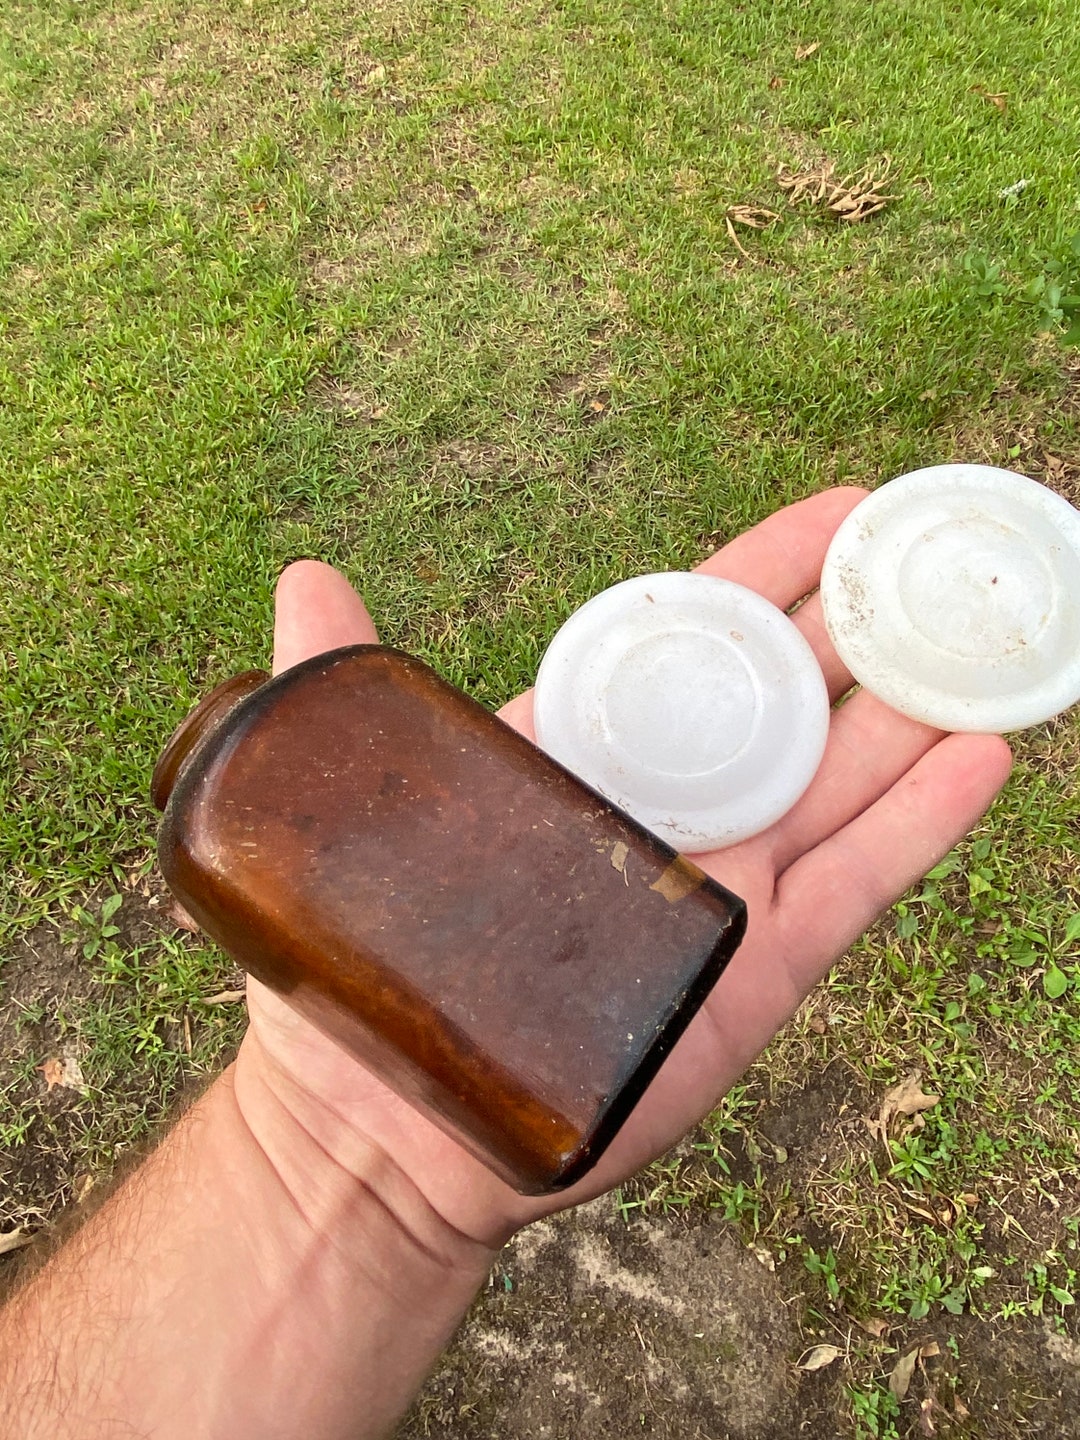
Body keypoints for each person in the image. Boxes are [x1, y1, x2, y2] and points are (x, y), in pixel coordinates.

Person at [0, 489, 1012, 1438]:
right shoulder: (251, 796)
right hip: (577, 1041)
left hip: (564, 1072)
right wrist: (324, 1157)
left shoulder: (220, 831)